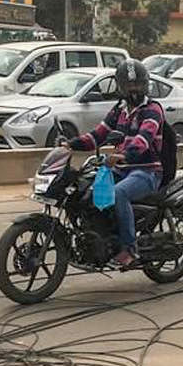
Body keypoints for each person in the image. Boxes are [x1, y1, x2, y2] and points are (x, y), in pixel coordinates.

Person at [68, 59, 166, 267]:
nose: (133, 89)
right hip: (121, 169)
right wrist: (71, 144)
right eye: (129, 85)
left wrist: (125, 155)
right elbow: (98, 134)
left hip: (146, 171)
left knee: (118, 193)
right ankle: (102, 238)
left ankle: (130, 248)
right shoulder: (119, 110)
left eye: (138, 84)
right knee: (86, 190)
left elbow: (144, 138)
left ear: (145, 84)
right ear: (120, 87)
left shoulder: (152, 109)